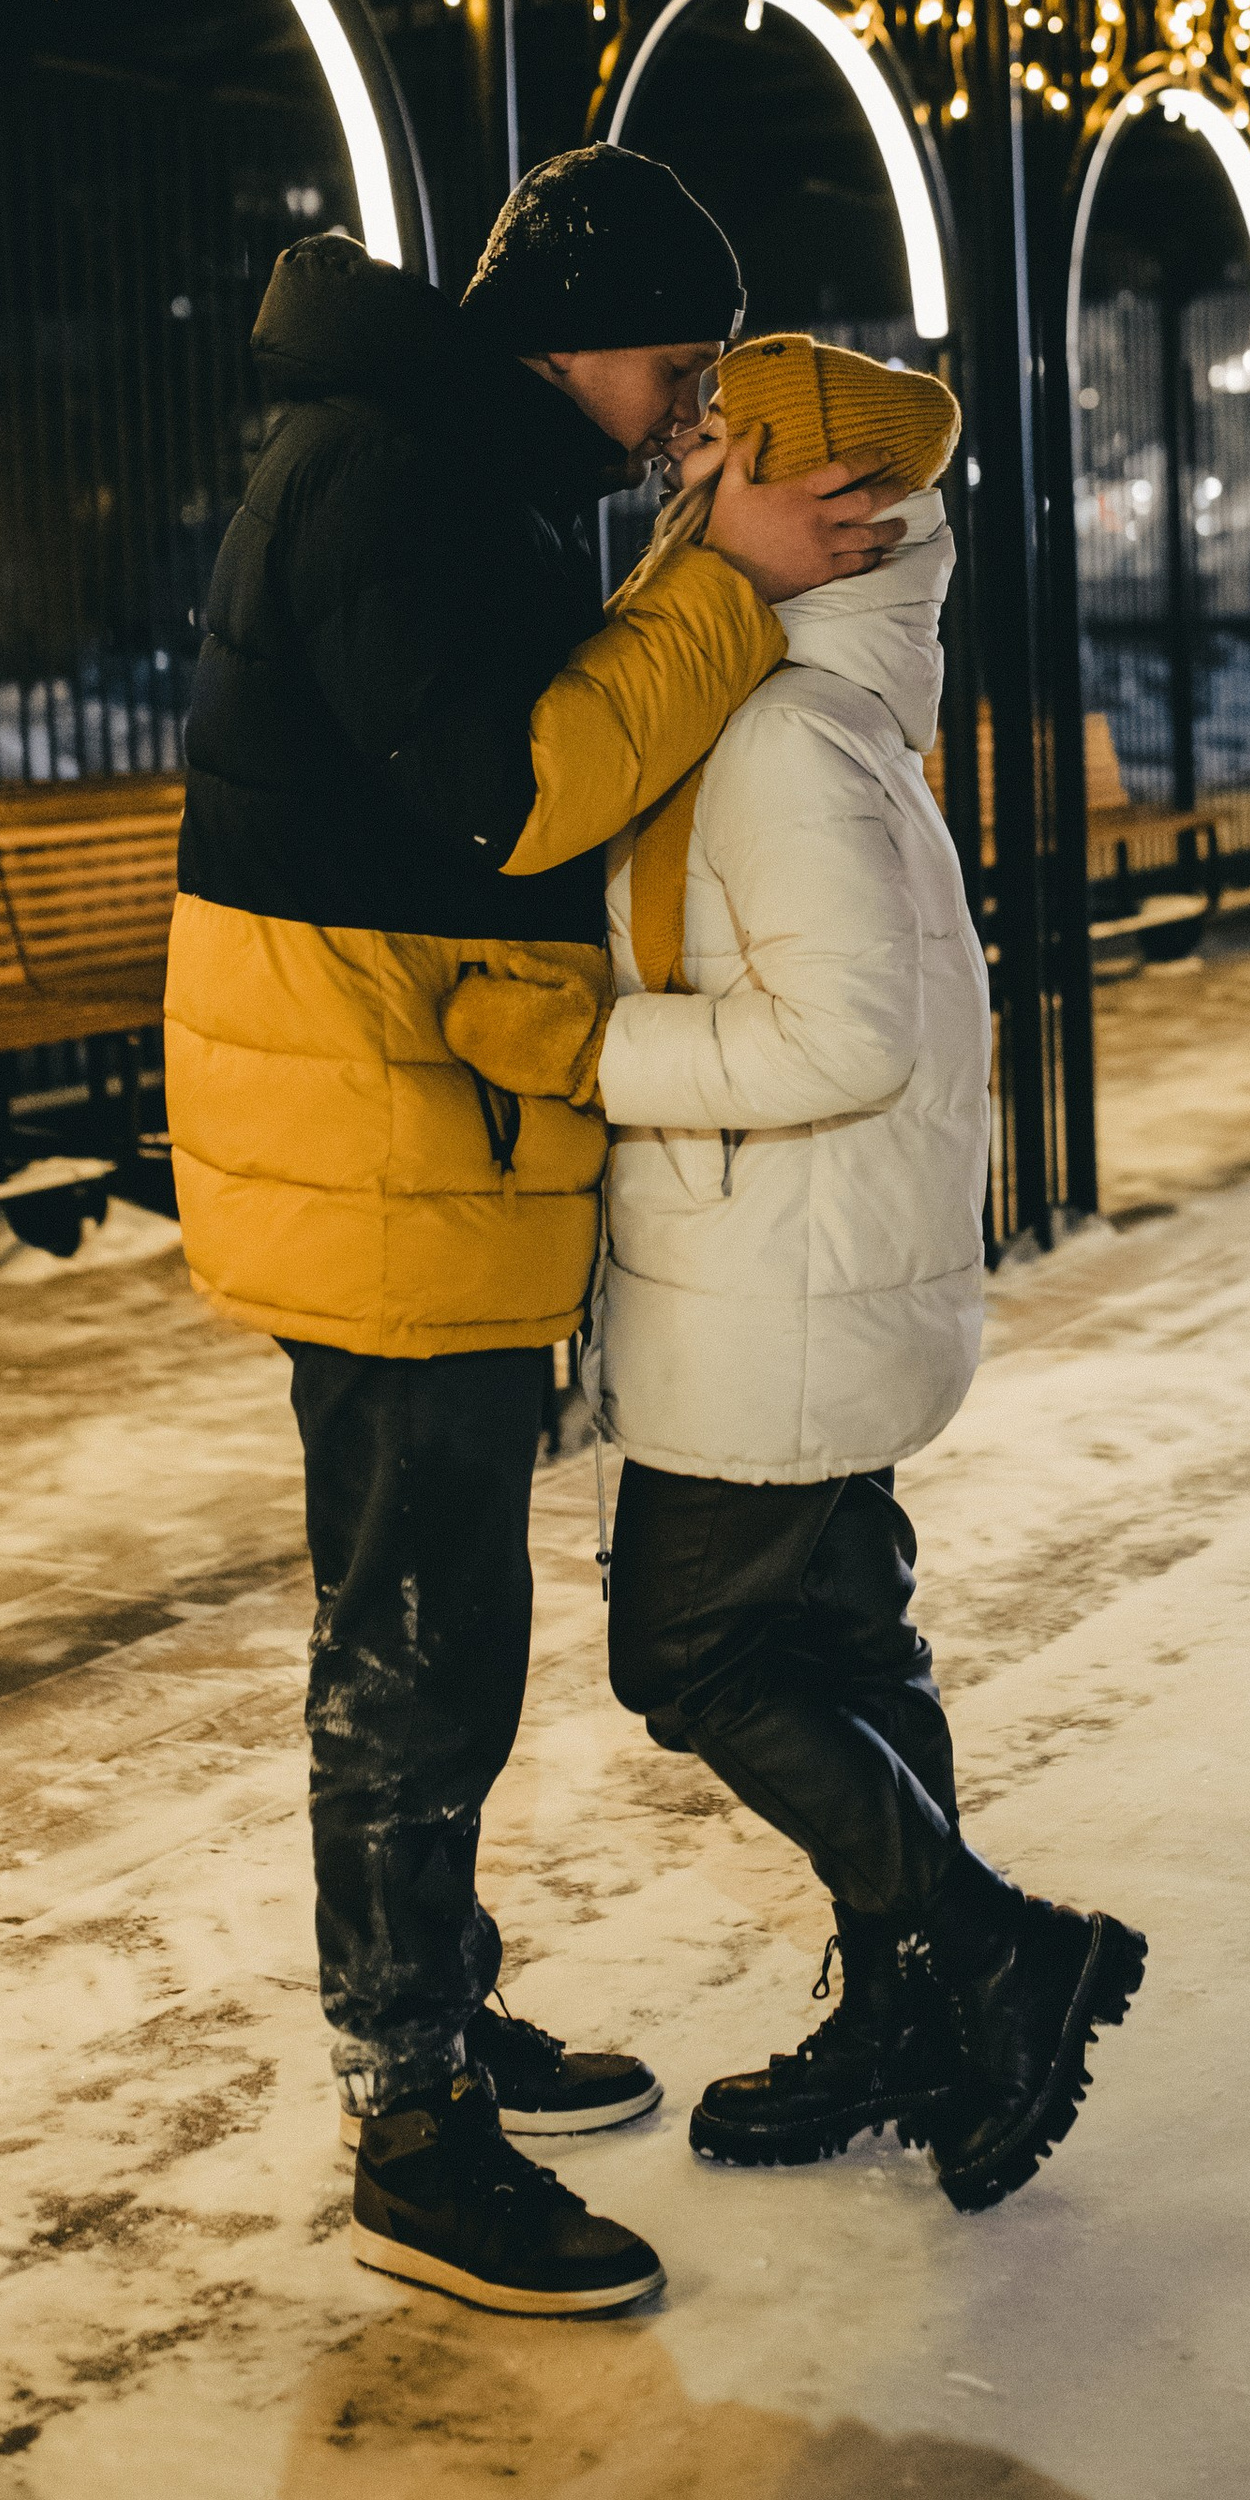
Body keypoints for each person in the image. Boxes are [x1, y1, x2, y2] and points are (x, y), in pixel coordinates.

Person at [163, 156, 902, 2319]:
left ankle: (440, 2012)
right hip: (377, 1137)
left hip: (407, 1120)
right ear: (570, 338)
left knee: (432, 1616)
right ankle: (411, 2128)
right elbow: (516, 797)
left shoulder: (429, 462)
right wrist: (728, 585)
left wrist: (691, 572)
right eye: (675, 367)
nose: (688, 416)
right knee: (416, 1644)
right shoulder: (391, 477)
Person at [569, 332, 1146, 2213]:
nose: (681, 456)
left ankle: (994, 1949)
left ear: (824, 497)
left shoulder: (780, 735)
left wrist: (586, 1050)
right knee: (840, 1643)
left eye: (723, 439)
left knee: (687, 1652)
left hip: (773, 1289)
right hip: (802, 1267)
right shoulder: (814, 707)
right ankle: (909, 2008)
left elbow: (842, 1040)